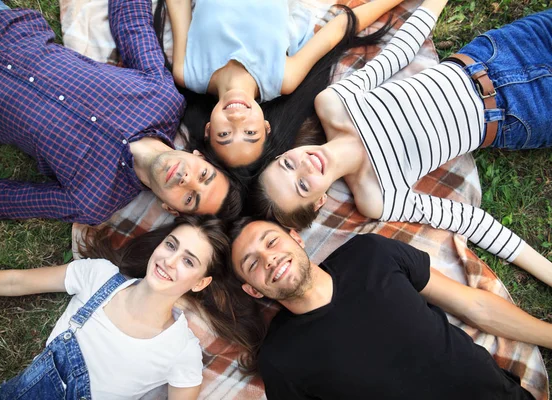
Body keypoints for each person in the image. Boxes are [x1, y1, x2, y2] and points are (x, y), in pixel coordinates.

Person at [253, 1, 552, 286]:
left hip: (495, 53)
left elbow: (399, 53)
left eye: (287, 164)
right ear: (319, 201)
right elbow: (469, 220)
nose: (303, 166)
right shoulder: (375, 197)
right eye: (302, 186)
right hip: (523, 112)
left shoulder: (332, 103)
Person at [0, 0, 242, 226]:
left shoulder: (93, 201)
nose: (187, 181)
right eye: (204, 175)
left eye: (190, 198)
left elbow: (5, 200)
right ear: (199, 157)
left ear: (170, 208)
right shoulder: (162, 99)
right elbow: (132, 26)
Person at [229, 218, 552, 399]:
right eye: (252, 263)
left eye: (271, 242)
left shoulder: (370, 254)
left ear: (295, 238)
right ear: (253, 290)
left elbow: (473, 304)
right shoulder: (280, 359)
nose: (269, 258)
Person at [0, 215, 264, 398]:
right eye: (171, 245)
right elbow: (15, 282)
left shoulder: (181, 351)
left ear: (200, 283)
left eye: (188, 261)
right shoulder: (99, 275)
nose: (169, 260)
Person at [159, 0, 403, 168]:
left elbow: (179, 4)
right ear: (265, 127)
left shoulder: (188, 73)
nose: (237, 122)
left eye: (225, 134)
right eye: (250, 133)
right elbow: (339, 28)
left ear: (208, 129)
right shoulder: (282, 79)